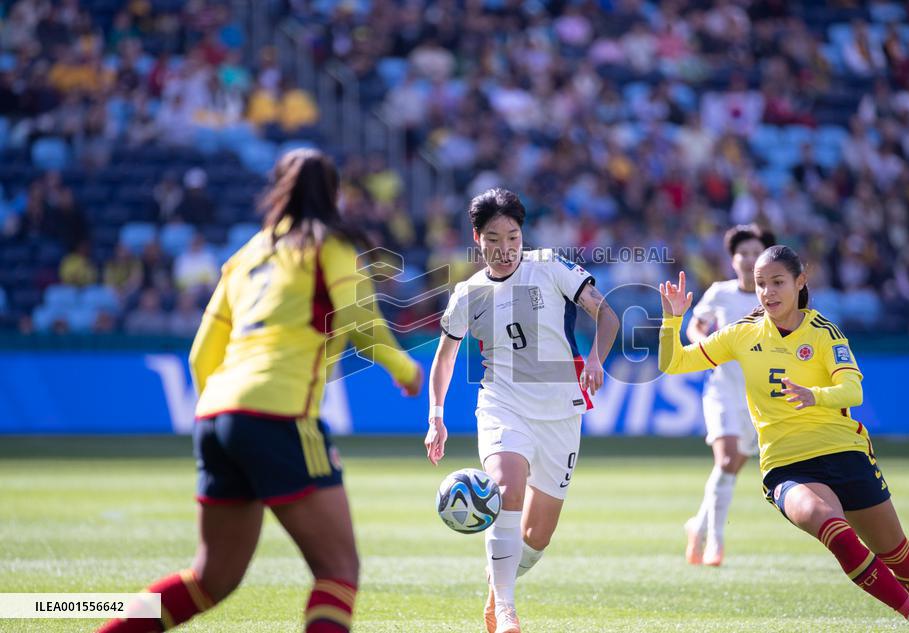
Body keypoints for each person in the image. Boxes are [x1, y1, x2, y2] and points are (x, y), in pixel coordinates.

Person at [97, 149, 423, 633]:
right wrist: (404, 368)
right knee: (338, 571)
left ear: (279, 192)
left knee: (210, 580)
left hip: (216, 414)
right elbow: (358, 321)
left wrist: (228, 419)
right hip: (281, 414)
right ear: (335, 195)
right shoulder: (331, 248)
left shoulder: (246, 256)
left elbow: (201, 356)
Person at [657, 246, 909, 633]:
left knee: (898, 554)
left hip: (844, 451)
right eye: (762, 285)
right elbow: (674, 363)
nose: (768, 292)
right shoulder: (742, 334)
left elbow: (853, 391)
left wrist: (816, 395)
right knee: (832, 528)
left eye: (777, 282)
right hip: (787, 465)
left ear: (800, 282)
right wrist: (671, 319)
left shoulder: (823, 332)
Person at [423, 188, 620, 633]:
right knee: (506, 488)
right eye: (494, 238)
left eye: (512, 236)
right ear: (478, 238)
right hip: (501, 402)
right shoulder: (467, 294)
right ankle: (508, 610)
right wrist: (436, 416)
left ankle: (498, 587)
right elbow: (445, 357)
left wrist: (595, 360)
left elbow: (606, 314)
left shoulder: (550, 266)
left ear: (522, 234)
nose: (505, 248)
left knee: (536, 536)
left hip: (560, 411)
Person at [683, 224, 773, 566]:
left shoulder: (773, 297)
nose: (749, 260)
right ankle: (714, 543)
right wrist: (700, 343)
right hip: (722, 389)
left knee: (732, 466)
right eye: (743, 254)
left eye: (755, 254)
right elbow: (696, 324)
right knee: (725, 459)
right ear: (732, 259)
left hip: (758, 396)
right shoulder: (720, 292)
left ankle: (698, 525)